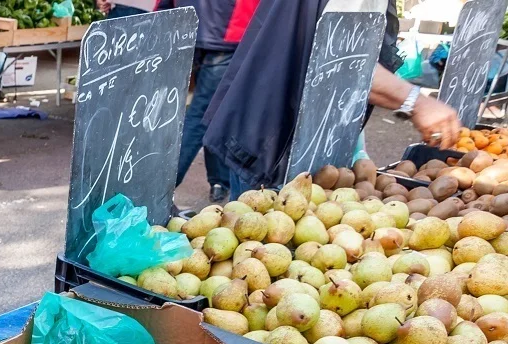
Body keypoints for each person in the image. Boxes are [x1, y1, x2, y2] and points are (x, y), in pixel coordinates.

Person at [202, 0, 461, 195]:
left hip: (273, 127)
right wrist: (417, 101)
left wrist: (356, 148)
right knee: (258, 250)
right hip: (273, 141)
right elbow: (344, 63)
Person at [157, 0, 258, 203]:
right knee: (203, 115)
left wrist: (164, 12)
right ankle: (159, 187)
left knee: (214, 111)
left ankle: (219, 181)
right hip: (228, 32)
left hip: (192, 26)